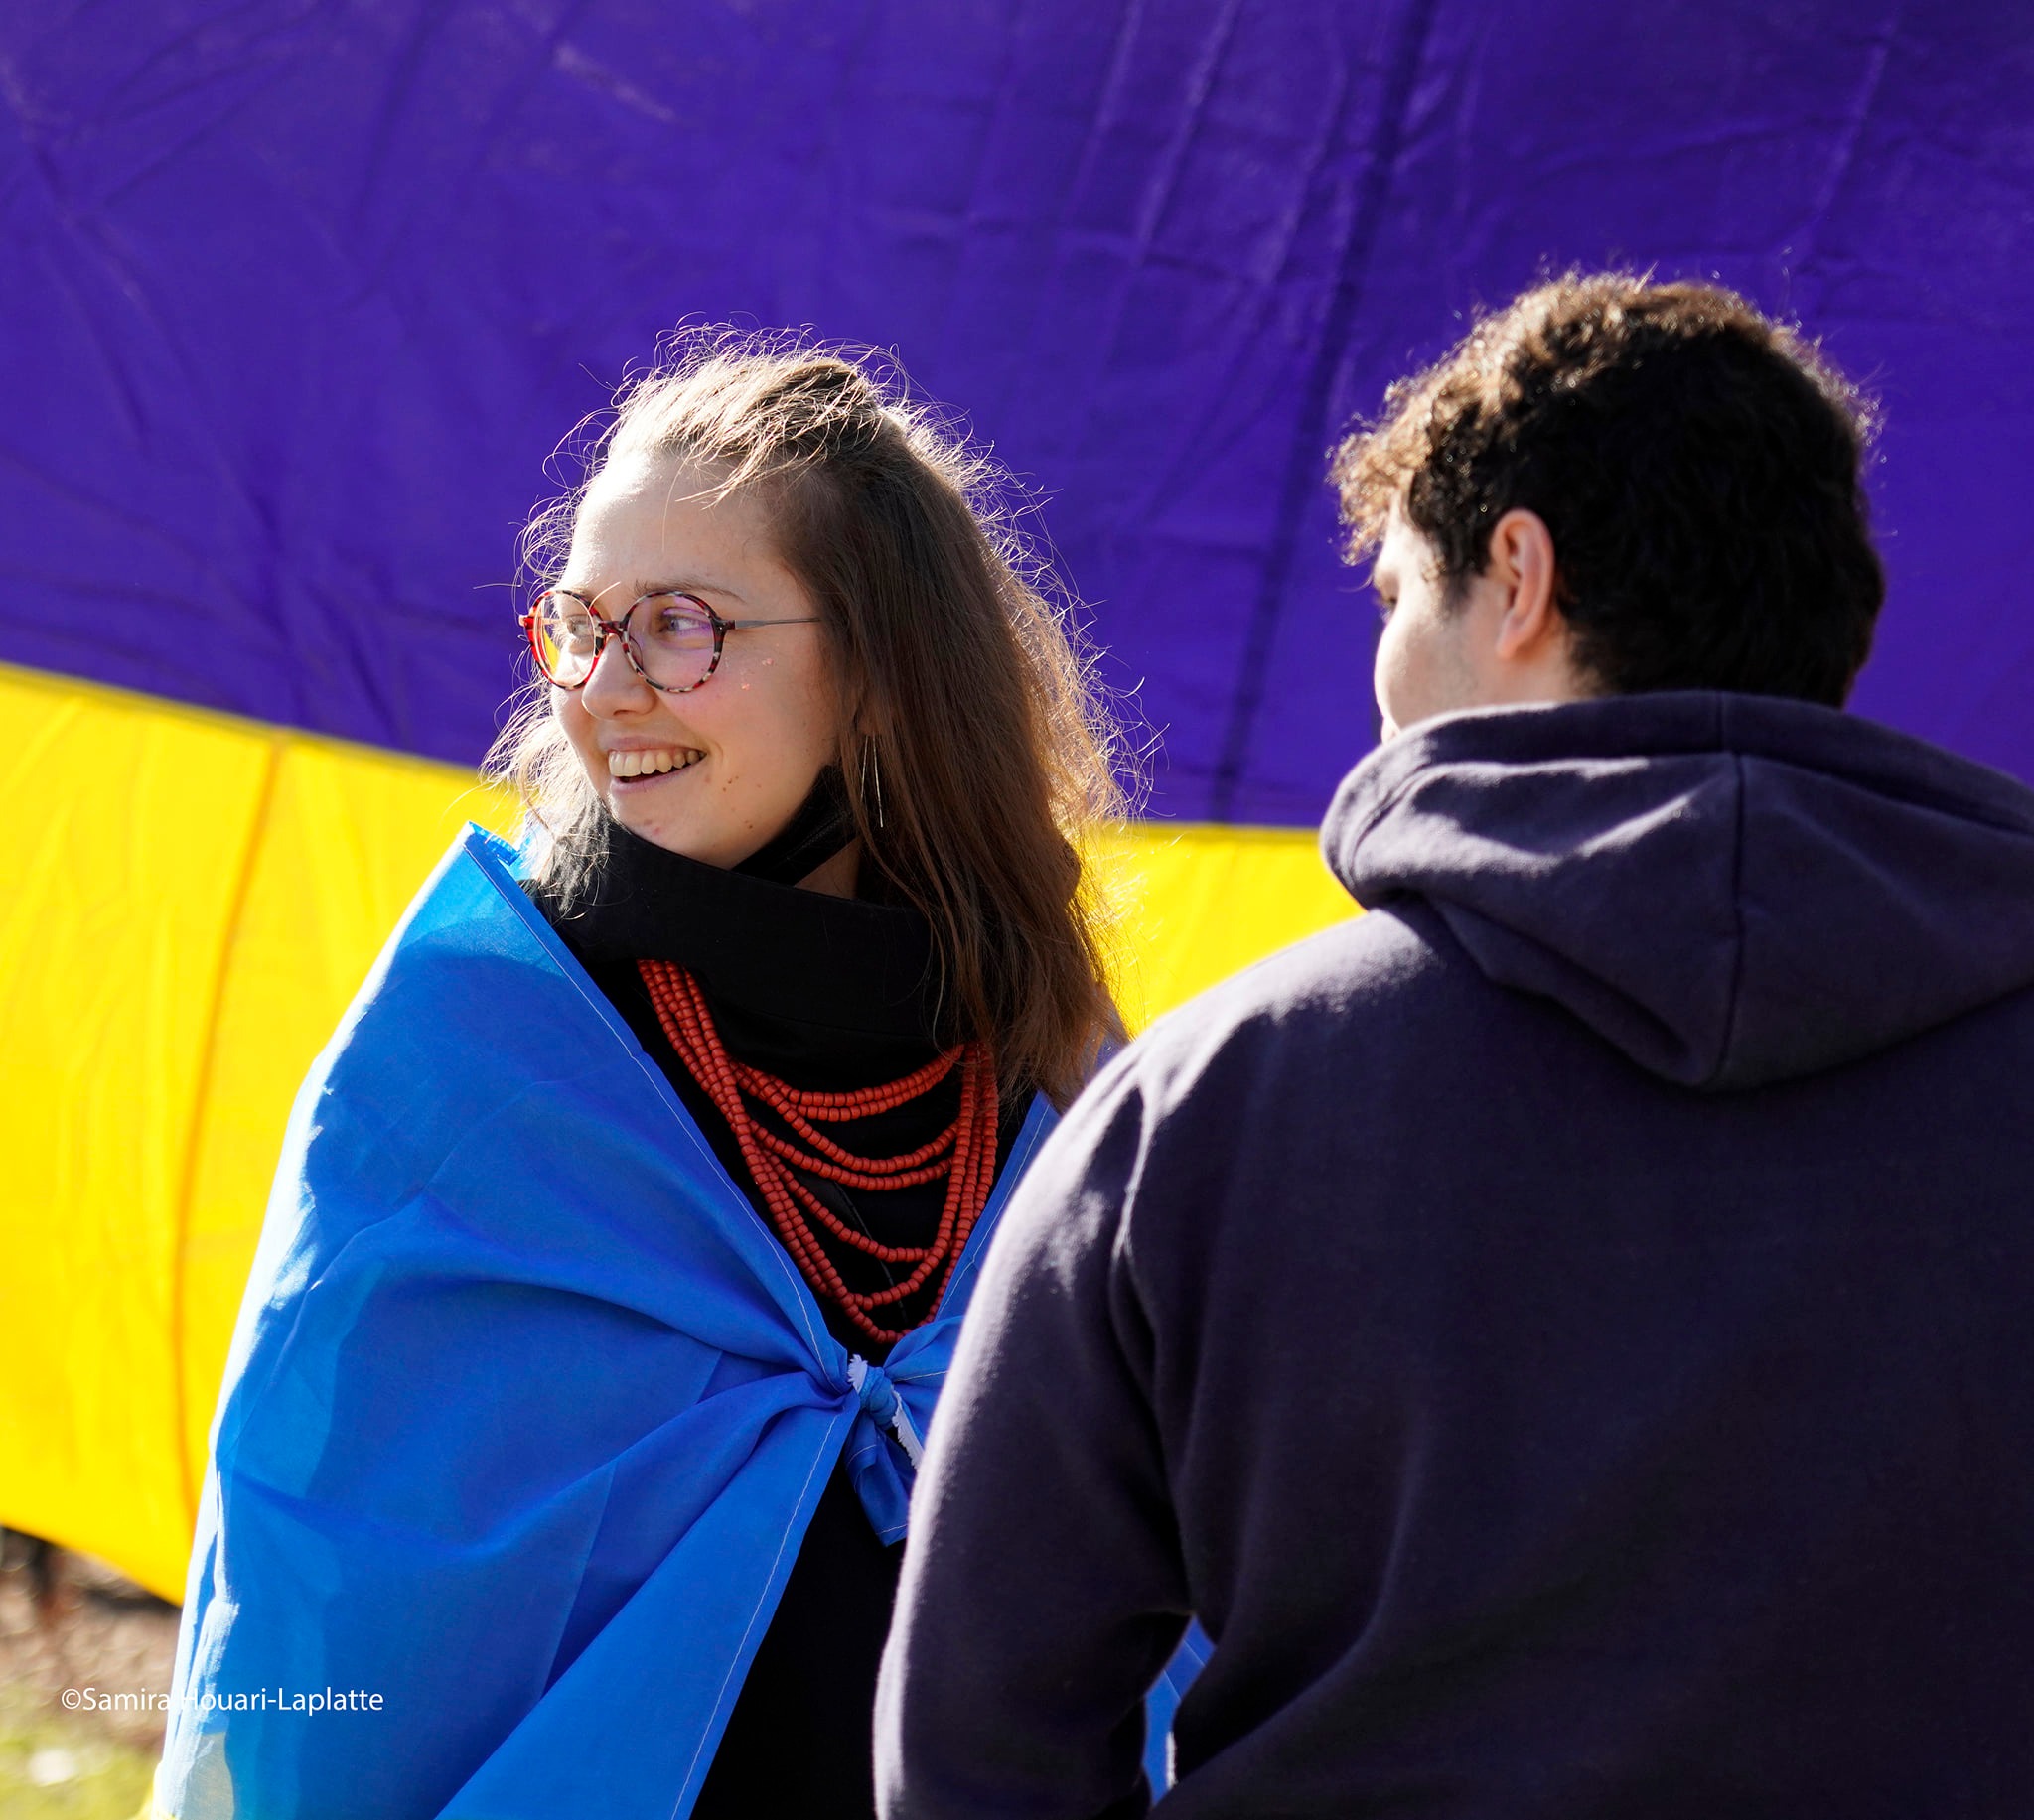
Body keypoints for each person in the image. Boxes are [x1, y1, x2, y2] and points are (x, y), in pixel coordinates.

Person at [875, 274, 2034, 1817]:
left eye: (1396, 594)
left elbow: (979, 1745)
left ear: (1518, 574)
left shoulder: (1196, 1117)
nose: (1382, 677)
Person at [154, 335, 1132, 1820]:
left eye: (681, 626)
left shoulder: (1037, 1059)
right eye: (581, 625)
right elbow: (314, 1610)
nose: (607, 690)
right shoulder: (470, 1047)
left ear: (878, 670)